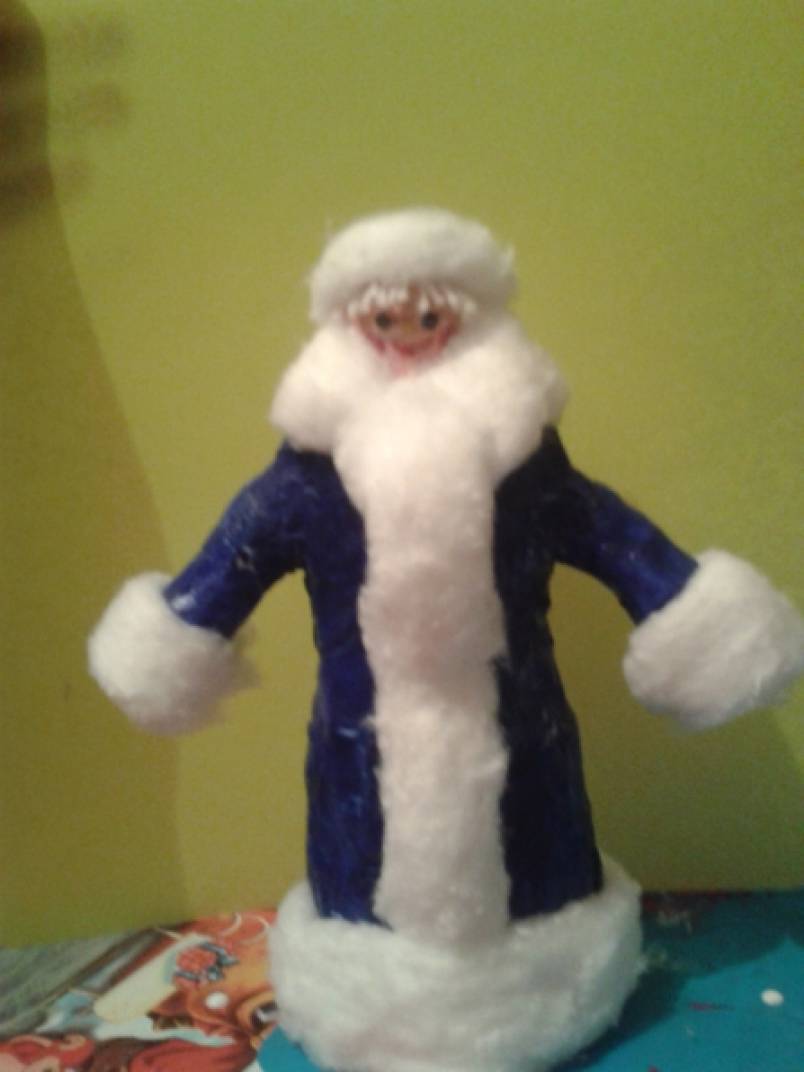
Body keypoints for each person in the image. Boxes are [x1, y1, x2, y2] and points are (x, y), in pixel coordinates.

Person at [89, 207, 804, 1072]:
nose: (406, 335)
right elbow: (231, 559)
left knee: (531, 853)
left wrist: (691, 613)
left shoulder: (523, 457)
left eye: (428, 315)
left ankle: (542, 997)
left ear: (464, 318)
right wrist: (178, 631)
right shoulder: (308, 472)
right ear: (351, 321)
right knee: (364, 859)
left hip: (521, 735)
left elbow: (611, 533)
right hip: (360, 747)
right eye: (384, 317)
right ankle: (379, 1002)